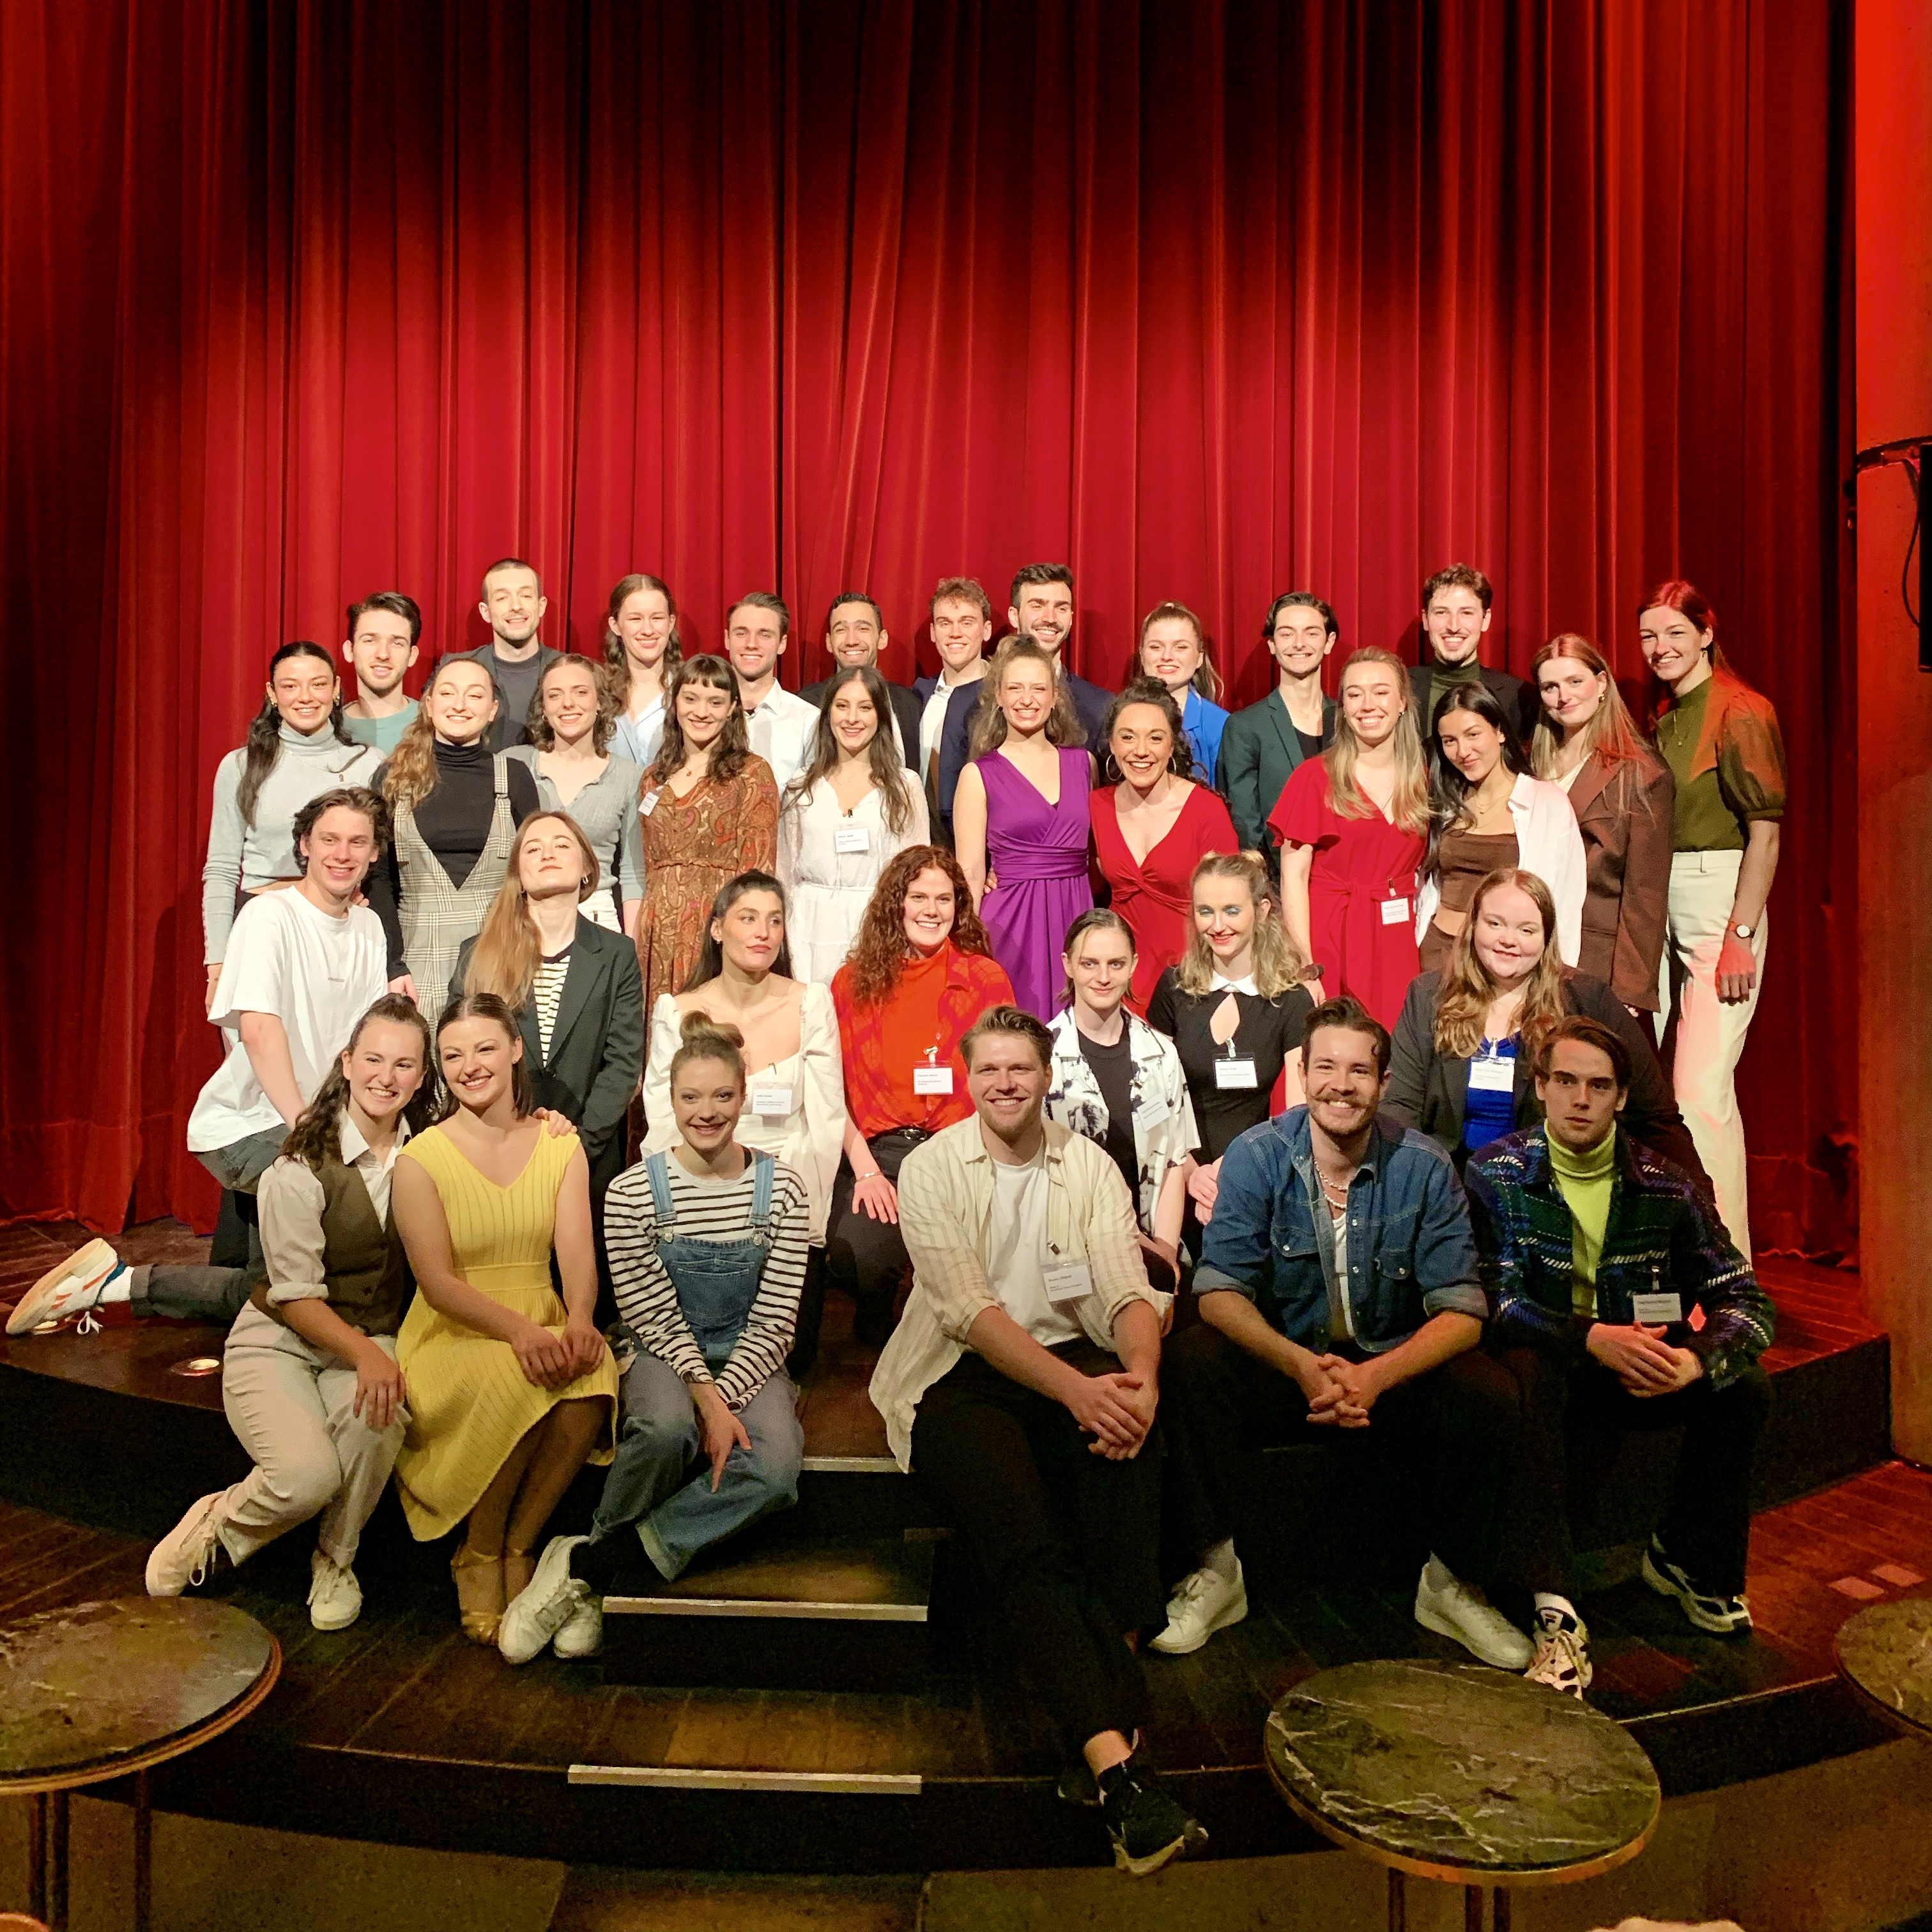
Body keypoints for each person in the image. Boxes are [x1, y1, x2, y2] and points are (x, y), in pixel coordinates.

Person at [870, 1005, 1204, 1878]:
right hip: (959, 1377)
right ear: (968, 1075)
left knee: (1127, 1478)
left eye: (1021, 1070)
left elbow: (1128, 1287)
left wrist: (1140, 1382)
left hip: (1075, 1362)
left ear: (1045, 1075)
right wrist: (1082, 1396)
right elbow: (968, 1314)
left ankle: (1108, 1765)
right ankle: (1115, 1762)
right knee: (1027, 1537)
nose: (1006, 1085)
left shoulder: (1085, 1163)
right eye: (990, 1072)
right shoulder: (935, 1168)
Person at [1156, 997, 1528, 1671]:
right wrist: (1300, 1364)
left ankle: (1451, 1584)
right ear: (1301, 1073)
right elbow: (1218, 1291)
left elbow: (1463, 1310)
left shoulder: (1425, 1165)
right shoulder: (1257, 1154)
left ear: (1383, 1085)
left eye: (1359, 1072)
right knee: (1192, 1361)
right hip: (1287, 1361)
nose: (1341, 1084)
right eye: (1325, 1067)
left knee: (1490, 1392)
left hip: (1386, 1365)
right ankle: (1217, 1571)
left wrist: (1374, 1378)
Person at [10, 792, 394, 1338]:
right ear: (305, 845)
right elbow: (261, 1033)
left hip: (315, 1129)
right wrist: (309, 1135)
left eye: (358, 841)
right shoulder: (269, 917)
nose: (343, 853)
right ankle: (126, 1284)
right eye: (329, 839)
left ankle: (113, 1282)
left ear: (375, 852)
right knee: (307, 1282)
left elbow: (359, 1045)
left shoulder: (368, 928)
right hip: (253, 1125)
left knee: (281, 1294)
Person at [1467, 1018, 1775, 1696]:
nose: (1581, 1099)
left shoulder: (1666, 1184)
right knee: (1525, 1372)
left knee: (1744, 1386)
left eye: (1599, 1086)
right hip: (1556, 1359)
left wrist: (1696, 1359)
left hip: (1641, 1366)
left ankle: (1688, 1561)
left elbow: (1745, 1300)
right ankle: (1556, 1610)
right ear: (1541, 1088)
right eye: (1567, 1082)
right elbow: (1497, 1301)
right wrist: (1588, 1338)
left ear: (1621, 1098)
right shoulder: (1496, 1172)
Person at [497, 1013, 811, 1664]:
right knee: (668, 1431)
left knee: (777, 1469)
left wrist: (732, 1393)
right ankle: (601, 1573)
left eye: (722, 1096)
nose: (707, 1112)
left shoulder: (782, 1187)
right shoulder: (633, 1190)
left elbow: (778, 1317)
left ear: (743, 1096)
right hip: (663, 1350)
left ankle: (594, 1561)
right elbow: (649, 1313)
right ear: (669, 1100)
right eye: (691, 1097)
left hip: (753, 1352)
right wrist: (710, 1403)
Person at [143, 997, 434, 1630]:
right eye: (375, 1059)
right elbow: (296, 1298)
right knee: (305, 1476)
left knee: (380, 1421)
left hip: (366, 1335)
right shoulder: (299, 1163)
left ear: (420, 1076)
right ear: (348, 1064)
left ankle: (336, 1558)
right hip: (279, 1341)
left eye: (405, 1064)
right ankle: (220, 1523)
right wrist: (366, 1357)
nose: (388, 1076)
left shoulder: (430, 1154)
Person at [390, 993, 618, 1644]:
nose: (470, 1066)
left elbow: (577, 1251)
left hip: (540, 1309)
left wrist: (578, 1315)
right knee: (519, 1374)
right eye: (453, 1055)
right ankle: (480, 1550)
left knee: (593, 1371)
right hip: (455, 1331)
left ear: (515, 1049)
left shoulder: (558, 1143)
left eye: (485, 1048)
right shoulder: (421, 1159)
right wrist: (519, 1331)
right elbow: (435, 1285)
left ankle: (522, 1542)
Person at [641, 873, 845, 1370]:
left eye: (775, 921)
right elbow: (665, 1121)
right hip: (699, 1202)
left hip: (787, 1199)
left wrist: (809, 1225)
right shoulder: (678, 1009)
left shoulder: (810, 1002)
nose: (764, 932)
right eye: (749, 918)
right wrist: (683, 1208)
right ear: (717, 929)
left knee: (785, 1367)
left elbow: (825, 1118)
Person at [1385, 868, 1705, 1179]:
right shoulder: (1428, 997)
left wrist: (1702, 1202)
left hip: (1544, 1187)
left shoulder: (1588, 1000)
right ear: (1473, 927)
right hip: (1448, 1185)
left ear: (1546, 938)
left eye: (1526, 930)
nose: (1508, 940)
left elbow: (1653, 1116)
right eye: (1494, 924)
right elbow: (1400, 1107)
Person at [452, 812, 647, 1315]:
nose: (547, 852)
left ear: (587, 867)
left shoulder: (617, 954)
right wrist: (516, 1129)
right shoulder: (479, 953)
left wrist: (577, 1139)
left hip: (585, 1146)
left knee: (581, 1302)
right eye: (533, 847)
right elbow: (462, 1054)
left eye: (562, 844)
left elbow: (624, 1061)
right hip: (499, 1145)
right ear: (518, 870)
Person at [1642, 582, 1786, 1258]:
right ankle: (1683, 1258)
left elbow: (1766, 836)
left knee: (1700, 1094)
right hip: (1661, 900)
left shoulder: (1741, 710)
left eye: (1675, 632)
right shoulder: (1665, 714)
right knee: (1667, 1101)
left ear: (1706, 633)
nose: (1661, 648)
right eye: (1649, 637)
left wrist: (1740, 937)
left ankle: (1732, 1271)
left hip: (1719, 899)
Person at [827, 847, 1013, 1345]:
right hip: (881, 1152)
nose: (932, 910)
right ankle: (881, 1313)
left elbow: (1005, 1083)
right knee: (855, 1258)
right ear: (897, 904)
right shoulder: (851, 983)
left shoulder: (984, 979)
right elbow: (831, 1091)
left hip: (961, 1148)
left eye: (944, 899)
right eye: (919, 897)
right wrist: (866, 1171)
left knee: (979, 1265)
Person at [201, 641, 383, 1014]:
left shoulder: (370, 764)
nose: (305, 697)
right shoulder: (241, 766)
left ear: (335, 690)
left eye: (317, 684)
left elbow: (383, 859)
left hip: (340, 929)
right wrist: (217, 965)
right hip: (262, 928)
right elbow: (220, 869)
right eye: (290, 685)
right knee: (260, 1061)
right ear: (272, 693)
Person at [1146, 852, 1313, 1248]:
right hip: (1177, 1173)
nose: (1217, 926)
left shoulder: (1291, 1000)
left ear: (1262, 910)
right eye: (1206, 912)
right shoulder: (1173, 989)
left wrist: (1234, 1169)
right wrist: (1192, 1173)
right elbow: (1153, 1098)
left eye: (1231, 911)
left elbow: (1297, 1111)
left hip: (1259, 1170)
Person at [366, 657, 540, 1005]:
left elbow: (532, 877)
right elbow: (379, 879)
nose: (460, 705)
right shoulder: (392, 778)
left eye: (474, 696)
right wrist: (393, 966)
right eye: (448, 693)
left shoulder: (514, 777)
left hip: (500, 950)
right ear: (429, 705)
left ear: (492, 710)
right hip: (415, 954)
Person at [1271, 646, 1430, 1028]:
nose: (1367, 704)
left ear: (1403, 702)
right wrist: (1305, 966)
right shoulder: (1314, 777)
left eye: (1380, 692)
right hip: (1331, 937)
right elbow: (1292, 878)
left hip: (1399, 942)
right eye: (1355, 694)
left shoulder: (1425, 777)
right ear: (1342, 706)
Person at [1046, 911, 1195, 1297]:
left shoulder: (1161, 1051)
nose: (1103, 977)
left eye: (1115, 964)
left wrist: (1164, 1250)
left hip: (1153, 1247)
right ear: (1068, 965)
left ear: (1133, 966)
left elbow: (1174, 1161)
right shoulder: (1042, 1056)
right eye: (1089, 963)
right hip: (1070, 1247)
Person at [1528, 634, 1675, 1012]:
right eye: (1550, 687)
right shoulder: (1530, 765)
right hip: (1524, 948)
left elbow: (1645, 894)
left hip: (1594, 958)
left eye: (1575, 682)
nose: (1563, 696)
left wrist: (1630, 989)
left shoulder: (1641, 774)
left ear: (1602, 684)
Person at [952, 639, 1096, 1020]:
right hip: (1010, 926)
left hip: (1075, 914)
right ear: (998, 696)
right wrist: (965, 948)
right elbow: (969, 871)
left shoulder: (1085, 765)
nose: (1026, 699)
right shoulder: (978, 775)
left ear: (1054, 698)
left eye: (1038, 688)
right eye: (1015, 688)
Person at [633, 654, 781, 1015]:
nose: (702, 711)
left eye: (715, 701)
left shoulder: (751, 774)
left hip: (716, 927)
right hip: (659, 931)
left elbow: (756, 875)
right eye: (691, 698)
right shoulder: (653, 778)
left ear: (732, 708)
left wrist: (738, 930)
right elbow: (651, 865)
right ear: (675, 703)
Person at [1090, 680, 1239, 1016]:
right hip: (1118, 982)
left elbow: (1235, 908)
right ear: (1112, 744)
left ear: (1173, 745)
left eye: (1155, 738)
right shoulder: (1097, 806)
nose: (1140, 750)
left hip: (1192, 983)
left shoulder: (1206, 811)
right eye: (1128, 737)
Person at [777, 664, 931, 984]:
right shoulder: (800, 787)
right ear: (828, 713)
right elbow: (784, 873)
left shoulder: (905, 787)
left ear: (881, 716)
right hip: (808, 932)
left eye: (865, 707)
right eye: (842, 706)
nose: (852, 719)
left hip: (878, 928)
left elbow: (916, 875)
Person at [1418, 680, 1585, 974]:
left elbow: (1566, 901)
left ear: (1500, 732)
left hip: (1504, 960)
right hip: (1439, 952)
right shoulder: (1444, 804)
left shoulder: (1546, 803)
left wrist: (1561, 976)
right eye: (1449, 741)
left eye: (1473, 735)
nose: (1463, 751)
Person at [507, 654, 647, 935]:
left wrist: (630, 947)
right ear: (544, 708)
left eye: (580, 692)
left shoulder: (629, 776)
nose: (568, 703)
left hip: (596, 916)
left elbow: (633, 873)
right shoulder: (513, 765)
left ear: (600, 703)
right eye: (555, 695)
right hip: (524, 919)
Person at [1218, 592, 1338, 870]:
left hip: (1342, 882)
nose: (1299, 644)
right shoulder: (1244, 727)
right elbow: (1245, 826)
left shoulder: (1348, 722)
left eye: (1311, 633)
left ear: (1328, 642)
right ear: (1272, 644)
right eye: (1287, 634)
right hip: (1276, 885)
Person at [445, 557, 564, 752]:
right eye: (502, 598)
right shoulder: (454, 671)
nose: (516, 606)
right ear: (486, 612)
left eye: (525, 596)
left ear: (541, 606)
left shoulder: (569, 672)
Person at [1407, 563, 1533, 742]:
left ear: (1485, 619)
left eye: (1466, 613)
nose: (1453, 626)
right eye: (1442, 612)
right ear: (1426, 620)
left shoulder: (1520, 698)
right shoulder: (1399, 689)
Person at [799, 592, 924, 765]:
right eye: (841, 629)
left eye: (863, 628)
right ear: (829, 642)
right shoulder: (804, 704)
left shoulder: (911, 704)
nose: (851, 640)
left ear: (882, 639)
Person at [914, 576, 993, 839]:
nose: (955, 633)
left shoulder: (1005, 699)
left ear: (987, 630)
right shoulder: (917, 697)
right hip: (922, 843)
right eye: (945, 623)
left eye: (967, 623)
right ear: (933, 633)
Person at [1007, 562, 1113, 742]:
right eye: (1037, 606)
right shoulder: (969, 700)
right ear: (1014, 616)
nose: (1050, 618)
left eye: (1061, 608)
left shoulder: (1100, 706)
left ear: (1071, 619)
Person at [725, 592, 819, 794]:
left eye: (764, 634)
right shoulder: (703, 716)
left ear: (782, 644)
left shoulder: (808, 721)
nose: (751, 644)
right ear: (727, 639)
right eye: (741, 633)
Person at [1136, 601, 1230, 783]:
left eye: (1181, 647)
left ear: (1199, 658)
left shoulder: (1221, 725)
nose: (1167, 656)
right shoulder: (1120, 717)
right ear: (1142, 655)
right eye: (1156, 647)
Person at [602, 572, 680, 770]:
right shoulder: (598, 693)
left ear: (671, 623)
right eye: (635, 619)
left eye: (657, 618)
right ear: (616, 625)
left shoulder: (688, 692)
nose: (647, 630)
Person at [340, 592, 424, 753]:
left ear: (412, 656)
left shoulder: (433, 725)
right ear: (349, 650)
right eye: (370, 640)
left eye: (397, 643)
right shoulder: (328, 729)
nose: (383, 654)